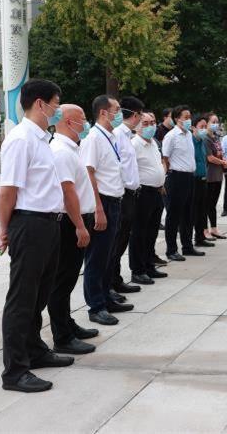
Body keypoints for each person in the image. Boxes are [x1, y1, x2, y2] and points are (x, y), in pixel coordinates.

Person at [0, 79, 71, 393]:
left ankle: (34, 350)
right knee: (22, 300)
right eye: (56, 103)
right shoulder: (21, 139)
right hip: (29, 225)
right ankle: (14, 371)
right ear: (40, 103)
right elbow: (7, 191)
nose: (59, 109)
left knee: (39, 295)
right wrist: (4, 230)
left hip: (48, 225)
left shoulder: (43, 140)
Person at [47, 104, 98, 356]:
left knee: (67, 280)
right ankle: (62, 336)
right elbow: (68, 192)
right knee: (62, 280)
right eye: (83, 119)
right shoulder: (61, 151)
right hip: (69, 224)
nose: (86, 123)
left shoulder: (71, 149)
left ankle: (67, 323)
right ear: (69, 122)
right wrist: (79, 225)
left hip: (78, 219)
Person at [81, 95, 132, 326]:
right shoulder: (93, 138)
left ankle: (106, 296)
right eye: (117, 110)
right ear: (104, 112)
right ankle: (96, 306)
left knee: (110, 255)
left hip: (115, 200)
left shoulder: (109, 136)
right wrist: (98, 208)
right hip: (102, 202)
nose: (119, 114)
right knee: (97, 258)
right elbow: (89, 173)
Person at [129, 111, 169, 284]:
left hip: (157, 191)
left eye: (152, 122)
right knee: (139, 232)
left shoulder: (154, 143)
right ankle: (137, 270)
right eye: (145, 123)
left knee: (152, 231)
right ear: (137, 125)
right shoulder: (134, 144)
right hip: (142, 192)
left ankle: (149, 264)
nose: (150, 126)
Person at [110, 96, 144, 295]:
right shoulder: (117, 134)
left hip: (130, 194)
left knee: (122, 240)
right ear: (136, 114)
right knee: (116, 241)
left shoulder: (126, 135)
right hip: (122, 194)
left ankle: (115, 279)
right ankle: (111, 282)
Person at [162, 105, 198, 260]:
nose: (189, 120)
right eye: (186, 117)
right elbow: (165, 158)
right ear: (177, 119)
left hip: (190, 177)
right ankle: (171, 249)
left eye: (190, 117)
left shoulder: (189, 134)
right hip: (176, 177)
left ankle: (187, 246)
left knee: (188, 214)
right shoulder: (171, 136)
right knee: (174, 215)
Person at [204, 112, 227, 240]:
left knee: (213, 204)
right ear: (206, 123)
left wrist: (223, 161)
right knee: (206, 204)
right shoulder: (206, 139)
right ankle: (204, 230)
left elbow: (219, 154)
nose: (215, 124)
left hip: (218, 175)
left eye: (217, 122)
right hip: (209, 176)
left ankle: (214, 228)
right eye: (212, 122)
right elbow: (210, 158)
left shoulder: (215, 138)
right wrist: (223, 162)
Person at [191, 115, 215, 248]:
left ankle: (200, 237)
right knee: (194, 210)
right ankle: (193, 238)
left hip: (203, 178)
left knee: (202, 210)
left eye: (206, 127)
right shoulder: (190, 141)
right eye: (202, 127)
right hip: (194, 179)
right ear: (193, 127)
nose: (204, 129)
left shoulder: (202, 141)